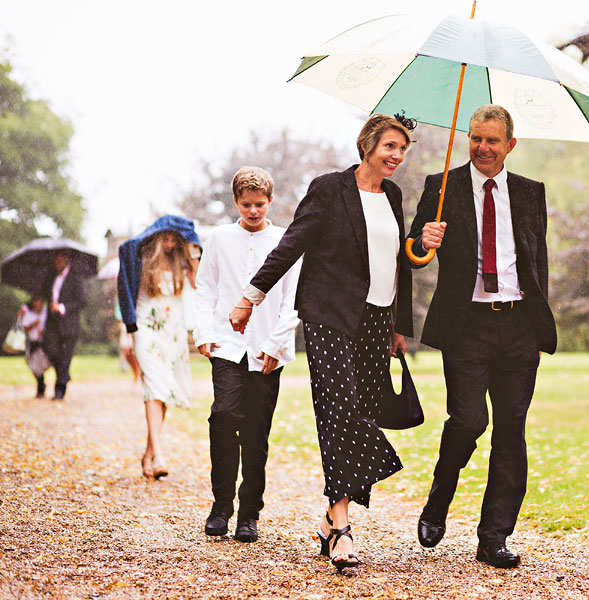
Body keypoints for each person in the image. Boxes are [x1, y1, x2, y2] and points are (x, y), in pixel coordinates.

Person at [229, 114, 414, 571]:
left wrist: (398, 322)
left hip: (376, 318)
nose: (396, 156)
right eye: (390, 146)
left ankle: (332, 520)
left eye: (402, 149)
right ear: (368, 144)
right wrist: (250, 297)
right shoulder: (329, 188)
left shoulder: (393, 195)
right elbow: (291, 244)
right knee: (342, 411)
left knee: (358, 412)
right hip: (329, 316)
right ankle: (343, 526)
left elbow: (399, 261)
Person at [406, 104, 557, 569]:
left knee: (511, 431)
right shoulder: (441, 185)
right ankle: (439, 498)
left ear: (510, 144)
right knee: (469, 421)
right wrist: (423, 245)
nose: (482, 148)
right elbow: (412, 251)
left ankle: (493, 537)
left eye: (492, 140)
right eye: (475, 138)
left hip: (517, 325)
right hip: (466, 324)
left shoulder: (531, 193)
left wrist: (536, 328)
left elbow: (538, 262)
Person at [194, 166, 302, 543]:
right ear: (236, 202)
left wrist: (276, 344)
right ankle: (220, 504)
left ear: (270, 201)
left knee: (257, 431)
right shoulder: (220, 238)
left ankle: (249, 512)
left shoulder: (285, 240)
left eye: (259, 204)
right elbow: (206, 287)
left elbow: (293, 297)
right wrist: (204, 332)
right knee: (223, 415)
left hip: (266, 349)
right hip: (226, 344)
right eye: (246, 205)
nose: (253, 211)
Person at [118, 215, 201, 480]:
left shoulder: (183, 262)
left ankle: (149, 453)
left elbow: (201, 285)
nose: (167, 243)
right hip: (146, 328)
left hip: (173, 331)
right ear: (155, 237)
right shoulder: (139, 258)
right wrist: (129, 329)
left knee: (163, 391)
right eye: (163, 237)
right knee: (154, 385)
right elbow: (127, 291)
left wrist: (192, 255)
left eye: (172, 238)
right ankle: (160, 452)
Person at [41, 250, 88, 401]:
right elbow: (43, 294)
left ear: (67, 259)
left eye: (60, 259)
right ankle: (64, 375)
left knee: (65, 357)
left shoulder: (76, 277)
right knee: (51, 350)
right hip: (52, 322)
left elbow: (82, 301)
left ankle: (59, 390)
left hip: (69, 324)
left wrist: (62, 307)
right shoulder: (50, 276)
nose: (57, 262)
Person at [17, 295, 51, 398]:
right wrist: (34, 324)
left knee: (42, 365)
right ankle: (41, 385)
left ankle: (41, 387)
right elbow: (25, 327)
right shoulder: (28, 312)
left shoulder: (46, 312)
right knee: (33, 365)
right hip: (33, 342)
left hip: (43, 342)